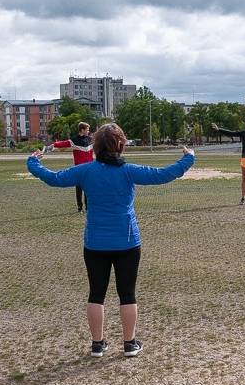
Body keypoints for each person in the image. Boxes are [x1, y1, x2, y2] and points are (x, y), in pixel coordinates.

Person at [27, 124, 195, 358]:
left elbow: (53, 179)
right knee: (127, 294)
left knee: (96, 293)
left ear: (95, 147)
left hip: (95, 243)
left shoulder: (86, 171)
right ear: (121, 145)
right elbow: (164, 174)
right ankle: (129, 344)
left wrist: (32, 162)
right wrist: (188, 159)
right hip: (127, 242)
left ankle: (98, 344)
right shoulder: (128, 171)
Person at [49, 121, 94, 212]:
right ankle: (79, 207)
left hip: (89, 168)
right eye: (87, 129)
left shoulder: (90, 139)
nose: (88, 131)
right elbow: (64, 143)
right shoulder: (74, 140)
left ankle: (88, 207)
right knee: (79, 188)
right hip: (78, 168)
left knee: (88, 188)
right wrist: (54, 145)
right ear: (82, 130)